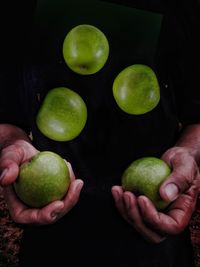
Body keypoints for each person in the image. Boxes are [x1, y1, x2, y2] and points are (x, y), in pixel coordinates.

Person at [0, 0, 200, 266]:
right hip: (52, 229)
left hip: (156, 223)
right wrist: (9, 144)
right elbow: (7, 114)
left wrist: (190, 153)